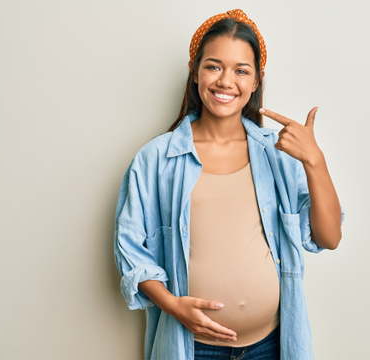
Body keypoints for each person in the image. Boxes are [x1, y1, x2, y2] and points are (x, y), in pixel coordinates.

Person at [114, 9, 344, 360]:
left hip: (271, 346)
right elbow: (130, 248)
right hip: (193, 347)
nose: (225, 81)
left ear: (256, 82)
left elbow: (329, 238)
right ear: (195, 72)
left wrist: (315, 161)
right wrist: (172, 305)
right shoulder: (156, 158)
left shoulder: (278, 154)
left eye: (241, 70)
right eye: (213, 66)